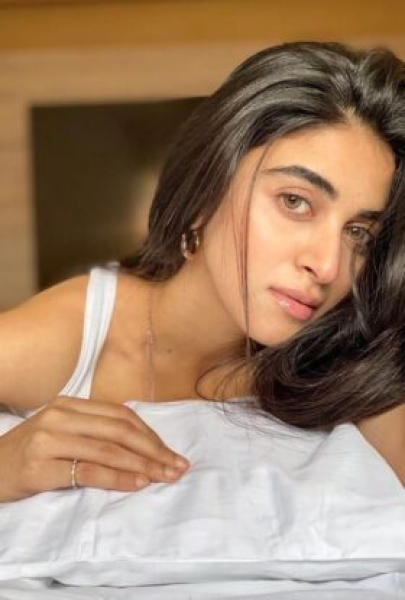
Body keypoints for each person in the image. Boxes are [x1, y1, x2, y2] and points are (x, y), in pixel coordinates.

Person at [0, 41, 404, 593]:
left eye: (358, 232)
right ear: (205, 192)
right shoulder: (79, 329)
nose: (328, 264)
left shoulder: (355, 353)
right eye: (295, 202)